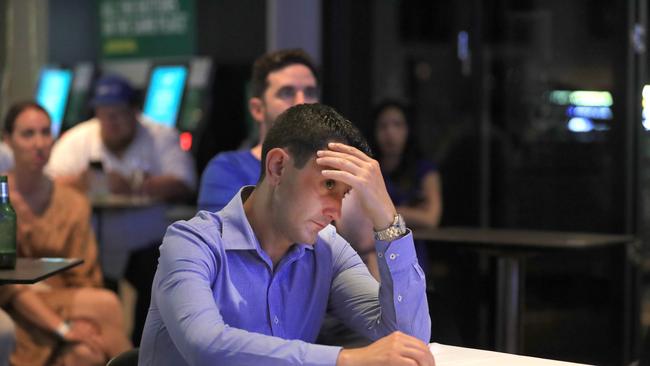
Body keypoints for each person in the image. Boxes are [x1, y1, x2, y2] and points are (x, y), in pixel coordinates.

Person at [139, 104, 434, 366]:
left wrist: (386, 218)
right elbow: (206, 347)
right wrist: (346, 359)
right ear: (278, 167)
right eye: (329, 184)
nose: (335, 211)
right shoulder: (190, 242)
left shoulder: (327, 249)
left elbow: (409, 339)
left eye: (344, 194)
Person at [46, 74, 197, 345]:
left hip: (148, 244)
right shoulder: (79, 138)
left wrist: (139, 185)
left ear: (134, 113)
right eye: (105, 114)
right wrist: (79, 183)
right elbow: (49, 182)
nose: (111, 122)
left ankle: (142, 350)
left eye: (118, 114)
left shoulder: (159, 135)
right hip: (93, 244)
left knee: (155, 287)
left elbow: (184, 182)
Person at [0, 101, 131, 365]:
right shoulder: (2, 197)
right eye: (28, 134)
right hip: (15, 308)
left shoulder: (73, 202)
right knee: (107, 304)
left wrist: (81, 324)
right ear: (7, 140)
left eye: (46, 132)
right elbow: (7, 287)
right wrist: (63, 328)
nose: (39, 143)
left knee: (86, 353)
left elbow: (85, 275)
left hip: (69, 303)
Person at [197, 48, 319, 212]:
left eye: (310, 92)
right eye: (287, 92)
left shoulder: (333, 166)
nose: (302, 102)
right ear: (257, 109)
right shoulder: (227, 169)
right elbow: (226, 235)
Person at [370, 100, 442, 229]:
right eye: (383, 126)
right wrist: (412, 213)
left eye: (397, 125)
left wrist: (381, 211)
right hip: (376, 244)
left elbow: (430, 219)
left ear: (408, 130)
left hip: (414, 244)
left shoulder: (424, 170)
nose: (390, 133)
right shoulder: (368, 169)